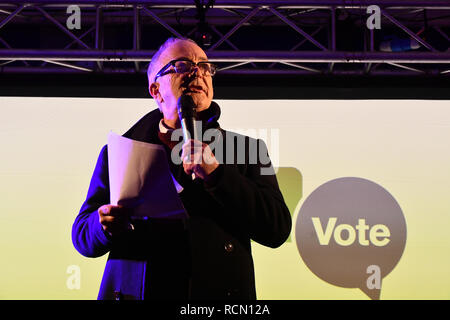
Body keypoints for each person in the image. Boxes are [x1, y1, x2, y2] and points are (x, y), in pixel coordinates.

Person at [72, 37, 291, 300]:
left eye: (205, 67)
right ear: (156, 90)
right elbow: (83, 234)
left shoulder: (248, 149)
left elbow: (277, 228)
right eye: (182, 66)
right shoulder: (119, 151)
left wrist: (218, 175)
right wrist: (102, 225)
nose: (197, 72)